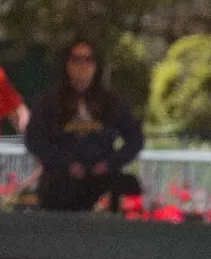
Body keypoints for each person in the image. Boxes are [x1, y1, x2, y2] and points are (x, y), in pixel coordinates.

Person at [24, 38, 144, 212]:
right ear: (66, 64)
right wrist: (64, 164)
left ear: (97, 65)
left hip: (101, 185)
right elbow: (34, 140)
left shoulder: (111, 102)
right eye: (76, 59)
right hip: (60, 184)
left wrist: (109, 164)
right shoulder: (49, 102)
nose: (83, 65)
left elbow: (135, 139)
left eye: (89, 59)